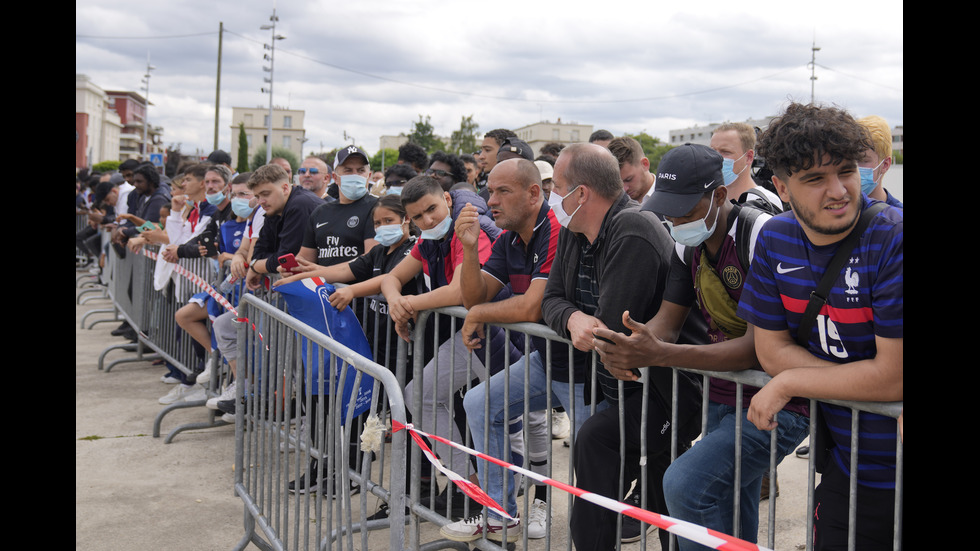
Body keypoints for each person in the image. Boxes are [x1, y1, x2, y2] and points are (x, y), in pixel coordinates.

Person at [593, 143, 809, 550]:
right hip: (724, 393)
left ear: (720, 195)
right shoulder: (685, 242)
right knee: (730, 503)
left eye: (686, 210)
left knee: (686, 484)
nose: (675, 220)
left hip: (782, 399)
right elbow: (667, 325)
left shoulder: (759, 233)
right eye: (668, 210)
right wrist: (632, 343)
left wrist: (659, 354)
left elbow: (756, 349)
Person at [738, 102, 903, 551]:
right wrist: (867, 379)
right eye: (814, 178)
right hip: (848, 469)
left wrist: (793, 378)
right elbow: (770, 350)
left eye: (846, 171)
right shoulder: (775, 238)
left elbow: (894, 374)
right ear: (782, 187)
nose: (839, 191)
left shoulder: (893, 237)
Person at [540, 143, 702, 550]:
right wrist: (573, 318)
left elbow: (612, 329)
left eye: (556, 187)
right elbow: (551, 299)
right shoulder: (576, 231)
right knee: (603, 451)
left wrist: (583, 323)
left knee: (617, 453)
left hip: (670, 391)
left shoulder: (634, 228)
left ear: (582, 194)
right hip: (622, 390)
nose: (551, 199)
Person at [380, 175, 517, 517]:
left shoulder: (472, 228)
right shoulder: (427, 238)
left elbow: (459, 291)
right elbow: (390, 277)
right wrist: (397, 300)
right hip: (469, 337)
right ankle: (469, 483)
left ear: (447, 199)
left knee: (520, 424)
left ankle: (525, 503)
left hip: (502, 336)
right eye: (419, 216)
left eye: (432, 209)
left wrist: (410, 304)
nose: (428, 220)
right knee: (419, 395)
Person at [439, 159, 561, 543]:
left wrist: (477, 313)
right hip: (548, 360)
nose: (491, 200)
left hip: (586, 366)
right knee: (478, 403)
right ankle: (499, 514)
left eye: (502, 192)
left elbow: (531, 307)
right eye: (489, 191)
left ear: (534, 193)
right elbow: (475, 295)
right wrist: (471, 249)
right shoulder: (510, 239)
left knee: (597, 460)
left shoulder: (555, 229)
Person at [295, 145, 378, 270]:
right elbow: (305, 257)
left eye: (361, 170)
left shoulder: (378, 207)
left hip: (356, 288)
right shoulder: (320, 212)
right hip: (323, 287)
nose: (355, 175)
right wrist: (292, 268)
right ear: (335, 178)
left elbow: (370, 257)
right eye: (348, 170)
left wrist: (325, 272)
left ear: (369, 175)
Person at [709, 122, 782, 209]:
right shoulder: (708, 200)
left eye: (725, 152)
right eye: (712, 151)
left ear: (749, 157)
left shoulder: (766, 201)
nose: (717, 158)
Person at [856, 115, 903, 208]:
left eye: (862, 160)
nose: (854, 168)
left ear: (885, 165)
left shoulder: (898, 218)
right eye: (849, 159)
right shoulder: (836, 211)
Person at [607, 136, 655, 205]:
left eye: (629, 179)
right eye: (618, 184)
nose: (624, 189)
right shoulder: (610, 204)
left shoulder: (670, 197)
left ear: (645, 164)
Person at [475, 129, 517, 197]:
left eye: (487, 150)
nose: (481, 156)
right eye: (481, 150)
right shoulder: (482, 195)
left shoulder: (522, 194)